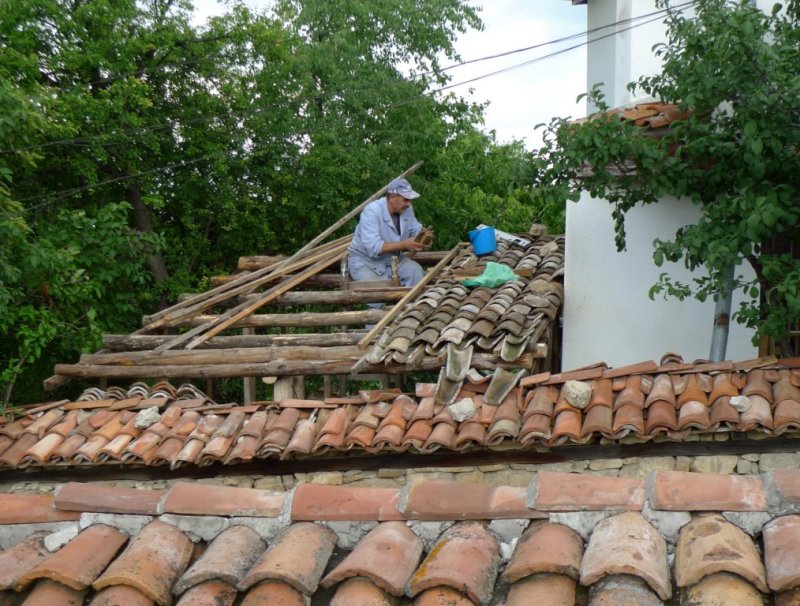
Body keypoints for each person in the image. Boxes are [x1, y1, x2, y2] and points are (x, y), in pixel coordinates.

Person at [348, 177, 429, 287]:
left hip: (392, 259)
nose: (409, 204)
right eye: (405, 199)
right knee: (378, 295)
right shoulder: (372, 211)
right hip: (365, 262)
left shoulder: (406, 209)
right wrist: (406, 244)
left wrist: (424, 239)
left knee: (415, 271)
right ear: (392, 197)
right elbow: (373, 247)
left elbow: (415, 229)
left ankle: (410, 304)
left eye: (410, 200)